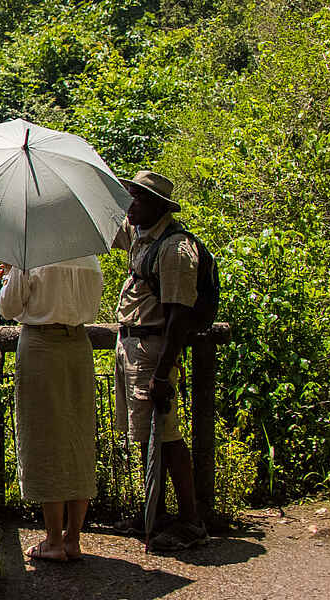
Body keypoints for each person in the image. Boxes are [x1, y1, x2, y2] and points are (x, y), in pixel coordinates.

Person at [111, 170, 209, 552]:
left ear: (158, 206)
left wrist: (164, 371)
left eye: (136, 199)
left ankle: (191, 520)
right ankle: (156, 511)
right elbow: (105, 231)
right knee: (146, 434)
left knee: (166, 435)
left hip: (154, 348)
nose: (129, 205)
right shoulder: (140, 235)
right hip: (133, 343)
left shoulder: (175, 249)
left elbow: (178, 316)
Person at [0, 253, 104, 561]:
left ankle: (53, 539)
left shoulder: (31, 256)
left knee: (44, 438)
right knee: (78, 438)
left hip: (41, 347)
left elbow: (8, 307)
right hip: (79, 345)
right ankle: (73, 539)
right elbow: (92, 301)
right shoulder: (89, 258)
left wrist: (11, 273)